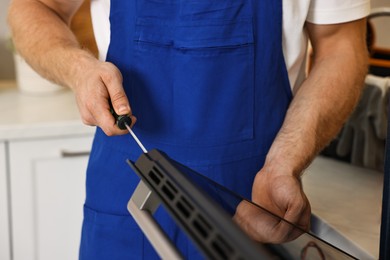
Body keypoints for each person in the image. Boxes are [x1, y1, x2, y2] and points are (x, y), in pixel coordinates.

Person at [8, 0, 369, 258]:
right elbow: (35, 5)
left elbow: (340, 44)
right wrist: (77, 69)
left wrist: (286, 161)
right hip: (126, 203)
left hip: (256, 204)